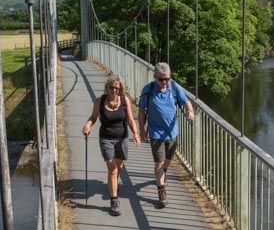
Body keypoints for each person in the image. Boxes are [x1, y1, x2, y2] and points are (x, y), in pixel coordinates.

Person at [138, 62, 195, 208]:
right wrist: (142, 131)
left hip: (172, 131)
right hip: (156, 133)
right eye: (161, 79)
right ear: (155, 76)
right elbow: (141, 111)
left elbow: (186, 102)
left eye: (167, 79)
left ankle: (162, 174)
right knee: (159, 162)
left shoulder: (175, 87)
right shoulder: (148, 89)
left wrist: (190, 111)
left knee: (168, 159)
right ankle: (161, 191)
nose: (164, 82)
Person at [82, 75, 140, 216]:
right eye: (111, 87)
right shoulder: (100, 101)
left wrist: (136, 133)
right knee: (112, 169)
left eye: (116, 88)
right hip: (106, 139)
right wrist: (88, 125)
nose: (114, 90)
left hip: (122, 138)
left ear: (120, 89)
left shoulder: (124, 100)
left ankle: (113, 184)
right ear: (107, 88)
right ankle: (114, 200)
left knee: (119, 166)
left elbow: (131, 119)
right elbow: (93, 117)